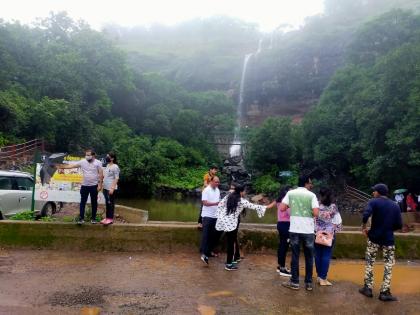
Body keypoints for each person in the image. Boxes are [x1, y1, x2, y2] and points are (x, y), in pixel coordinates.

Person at [216, 184, 276, 270]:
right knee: (231, 243)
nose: (245, 192)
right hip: (232, 223)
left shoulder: (229, 196)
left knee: (230, 242)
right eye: (244, 191)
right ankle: (229, 264)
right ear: (241, 192)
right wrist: (268, 206)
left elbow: (220, 205)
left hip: (224, 221)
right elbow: (254, 206)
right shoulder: (241, 200)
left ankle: (231, 261)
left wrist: (220, 216)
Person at [359, 183, 403, 302]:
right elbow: (399, 225)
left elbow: (366, 214)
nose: (373, 193)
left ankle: (368, 289)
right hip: (388, 240)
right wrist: (388, 230)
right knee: (388, 265)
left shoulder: (373, 202)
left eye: (374, 191)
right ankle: (385, 292)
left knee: (370, 263)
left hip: (373, 238)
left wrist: (364, 227)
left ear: (378, 192)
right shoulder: (395, 205)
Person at [280, 175, 319, 291]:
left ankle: (295, 282)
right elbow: (316, 213)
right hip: (308, 230)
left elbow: (282, 208)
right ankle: (308, 283)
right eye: (310, 183)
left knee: (295, 256)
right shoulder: (312, 195)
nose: (311, 185)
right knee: (309, 257)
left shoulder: (291, 193)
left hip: (295, 229)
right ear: (306, 183)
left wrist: (292, 207)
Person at [57, 149, 103, 224]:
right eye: (86, 155)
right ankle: (81, 219)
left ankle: (93, 218)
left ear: (93, 155)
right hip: (84, 186)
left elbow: (101, 174)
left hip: (94, 186)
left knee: (94, 202)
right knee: (82, 202)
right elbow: (72, 166)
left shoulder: (98, 163)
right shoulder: (82, 161)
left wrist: (100, 184)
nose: (87, 156)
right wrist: (62, 167)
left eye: (88, 155)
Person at [314, 187, 342, 286]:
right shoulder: (333, 207)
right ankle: (323, 279)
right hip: (329, 234)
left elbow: (313, 219)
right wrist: (333, 230)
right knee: (326, 255)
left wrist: (317, 230)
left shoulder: (316, 205)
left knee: (317, 255)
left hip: (317, 233)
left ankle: (318, 276)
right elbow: (338, 221)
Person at [200, 176, 221, 265]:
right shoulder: (206, 190)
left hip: (215, 216)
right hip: (207, 216)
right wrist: (215, 203)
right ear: (211, 181)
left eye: (218, 182)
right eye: (216, 182)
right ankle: (204, 254)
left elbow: (219, 201)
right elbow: (204, 202)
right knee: (206, 235)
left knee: (214, 235)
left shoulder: (217, 190)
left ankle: (208, 252)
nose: (217, 183)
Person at [276, 185, 292, 277]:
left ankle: (279, 266)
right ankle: (282, 268)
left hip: (280, 224)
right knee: (284, 246)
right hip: (286, 225)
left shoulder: (279, 200)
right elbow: (290, 213)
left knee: (281, 245)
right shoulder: (286, 201)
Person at [100, 152, 120, 225]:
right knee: (107, 203)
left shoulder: (115, 166)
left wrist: (112, 188)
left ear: (112, 158)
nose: (106, 157)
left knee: (110, 203)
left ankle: (110, 219)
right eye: (106, 156)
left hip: (111, 188)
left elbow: (116, 178)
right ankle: (106, 218)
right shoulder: (107, 165)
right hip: (105, 188)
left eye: (108, 156)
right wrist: (102, 186)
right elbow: (105, 176)